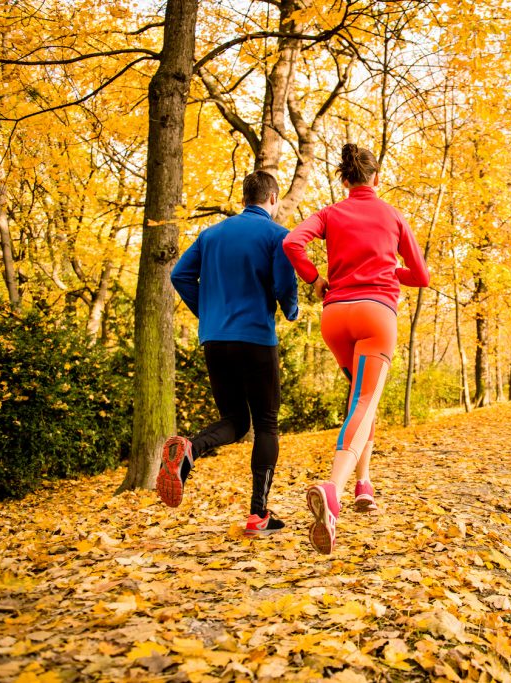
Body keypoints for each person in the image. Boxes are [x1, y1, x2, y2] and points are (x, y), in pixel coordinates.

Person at [283, 143, 429, 554]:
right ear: (377, 178)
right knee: (365, 400)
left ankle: (364, 484)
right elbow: (420, 275)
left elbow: (293, 243)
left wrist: (315, 277)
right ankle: (335, 489)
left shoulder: (330, 213)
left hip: (335, 317)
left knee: (361, 401)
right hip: (375, 315)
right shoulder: (392, 215)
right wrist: (385, 267)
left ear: (344, 180)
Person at [158, 170, 299, 538]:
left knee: (235, 421)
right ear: (272, 199)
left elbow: (179, 276)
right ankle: (258, 515)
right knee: (266, 422)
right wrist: (291, 309)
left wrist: (208, 313)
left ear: (244, 198)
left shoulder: (211, 235)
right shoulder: (277, 236)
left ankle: (190, 447)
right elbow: (285, 284)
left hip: (216, 341)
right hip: (255, 338)